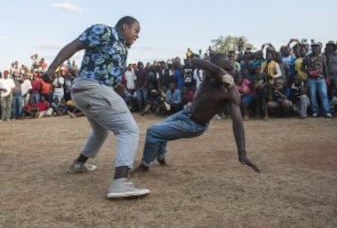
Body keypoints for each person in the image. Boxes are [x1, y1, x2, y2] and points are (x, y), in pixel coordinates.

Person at [43, 16, 150, 199]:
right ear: (125, 27)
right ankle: (120, 183)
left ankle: (79, 164)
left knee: (100, 131)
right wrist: (52, 68)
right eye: (136, 30)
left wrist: (117, 86)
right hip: (91, 87)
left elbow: (107, 71)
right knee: (129, 130)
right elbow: (75, 45)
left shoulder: (122, 48)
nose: (137, 35)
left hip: (87, 90)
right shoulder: (104, 31)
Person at [132, 54, 260, 175]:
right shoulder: (211, 76)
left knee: (153, 132)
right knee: (159, 129)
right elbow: (194, 61)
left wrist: (242, 153)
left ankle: (145, 166)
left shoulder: (228, 92)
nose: (208, 72)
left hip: (194, 125)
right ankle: (160, 158)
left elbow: (237, 122)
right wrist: (218, 71)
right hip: (186, 113)